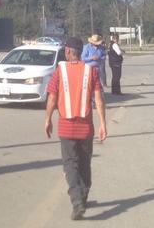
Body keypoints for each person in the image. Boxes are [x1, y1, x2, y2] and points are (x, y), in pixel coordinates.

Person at [45, 37, 107, 221]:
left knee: (70, 164)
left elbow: (52, 99)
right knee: (84, 163)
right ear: (81, 52)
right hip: (86, 127)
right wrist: (103, 123)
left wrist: (47, 119)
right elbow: (99, 99)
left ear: (68, 52)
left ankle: (77, 201)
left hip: (66, 127)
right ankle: (83, 196)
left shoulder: (60, 70)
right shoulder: (91, 71)